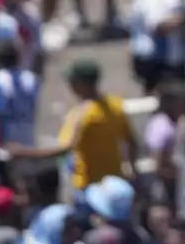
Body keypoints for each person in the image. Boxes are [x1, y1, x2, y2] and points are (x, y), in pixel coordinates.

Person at [17, 59, 140, 193]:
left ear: (81, 84)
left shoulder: (82, 115)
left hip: (90, 186)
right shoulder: (116, 106)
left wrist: (23, 153)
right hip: (115, 182)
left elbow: (65, 149)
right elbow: (132, 142)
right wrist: (132, 169)